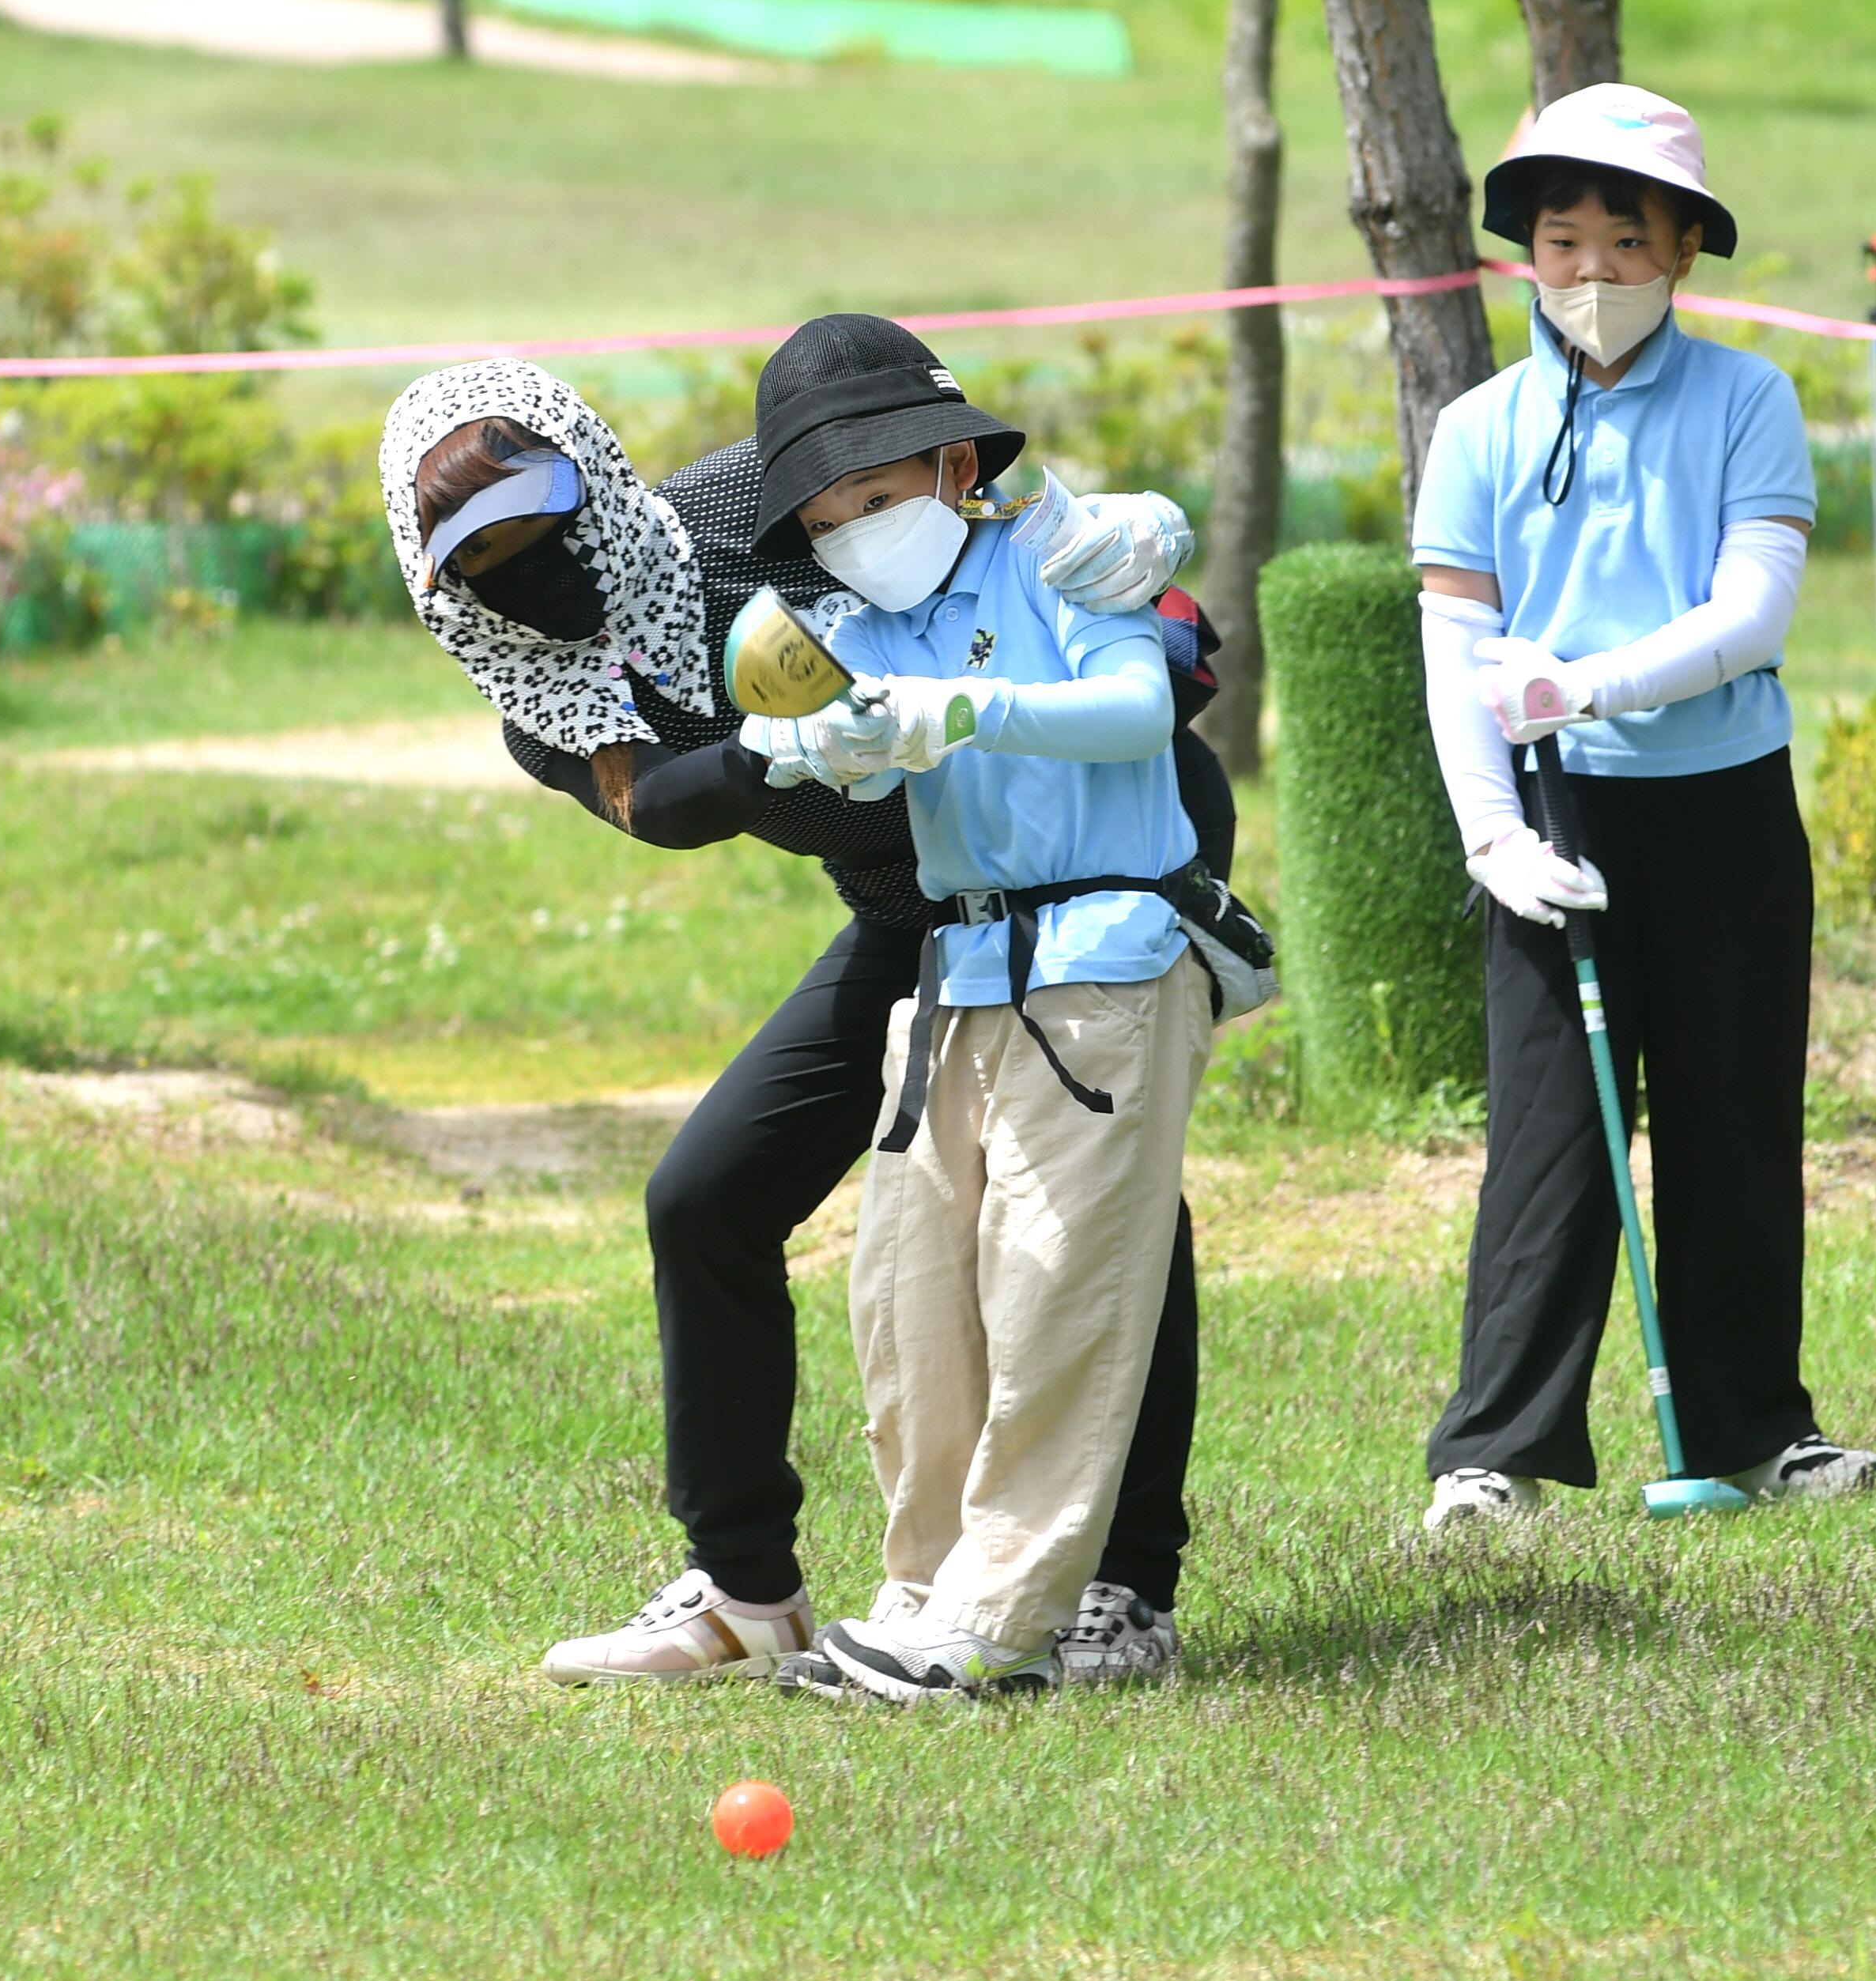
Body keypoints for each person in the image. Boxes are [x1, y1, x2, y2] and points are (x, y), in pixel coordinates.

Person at [372, 359, 1225, 1685]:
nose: (542, 577)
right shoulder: (547, 699)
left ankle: (1124, 1591)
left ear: (595, 476)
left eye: (554, 530)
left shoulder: (737, 507)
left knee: (1099, 1215)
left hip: (1095, 844)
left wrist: (1138, 566)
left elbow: (976, 543)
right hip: (920, 905)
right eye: (494, 567)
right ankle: (745, 1590)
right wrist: (774, 751)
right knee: (705, 1200)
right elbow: (655, 803)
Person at [1407, 84, 1876, 1530]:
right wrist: (1492, 835)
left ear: (1685, 250)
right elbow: (1453, 643)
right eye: (1564, 242)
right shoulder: (1480, 426)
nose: (1595, 273)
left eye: (1630, 239)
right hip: (1556, 821)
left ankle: (1753, 1431)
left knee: (1734, 1126)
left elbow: (1751, 614)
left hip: (1724, 808)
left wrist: (1595, 685)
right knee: (1552, 1139)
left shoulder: (1750, 400)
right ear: (1526, 258)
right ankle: (1498, 1450)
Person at [745, 315, 1242, 1703]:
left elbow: (1134, 714)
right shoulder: (848, 627)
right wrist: (820, 749)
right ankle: (918, 1596)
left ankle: (1000, 1627)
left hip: (1106, 963)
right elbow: (839, 752)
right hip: (956, 975)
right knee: (908, 1300)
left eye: (878, 494)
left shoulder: (1071, 549)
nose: (854, 528)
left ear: (953, 463)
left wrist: (959, 709)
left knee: (1053, 1297)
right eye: (829, 513)